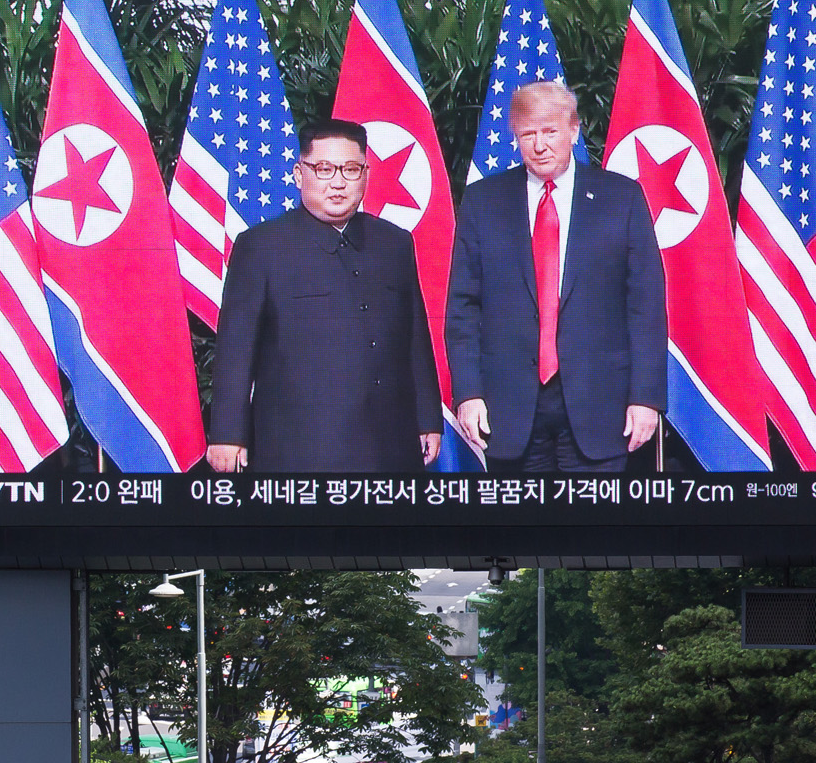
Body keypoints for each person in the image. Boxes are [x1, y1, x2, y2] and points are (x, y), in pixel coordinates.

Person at [446, 81, 667, 472]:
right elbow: (463, 308)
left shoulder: (621, 198)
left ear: (573, 130)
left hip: (601, 405)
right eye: (527, 134)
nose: (539, 145)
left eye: (549, 131)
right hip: (507, 408)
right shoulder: (484, 201)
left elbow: (645, 306)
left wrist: (645, 397)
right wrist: (468, 393)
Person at [207, 119, 443, 473]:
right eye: (324, 169)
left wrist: (428, 419)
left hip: (391, 443)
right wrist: (227, 433)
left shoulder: (394, 243)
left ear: (366, 174)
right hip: (301, 446)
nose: (337, 182)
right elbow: (236, 347)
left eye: (350, 169)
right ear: (299, 174)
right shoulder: (261, 246)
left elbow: (415, 339)